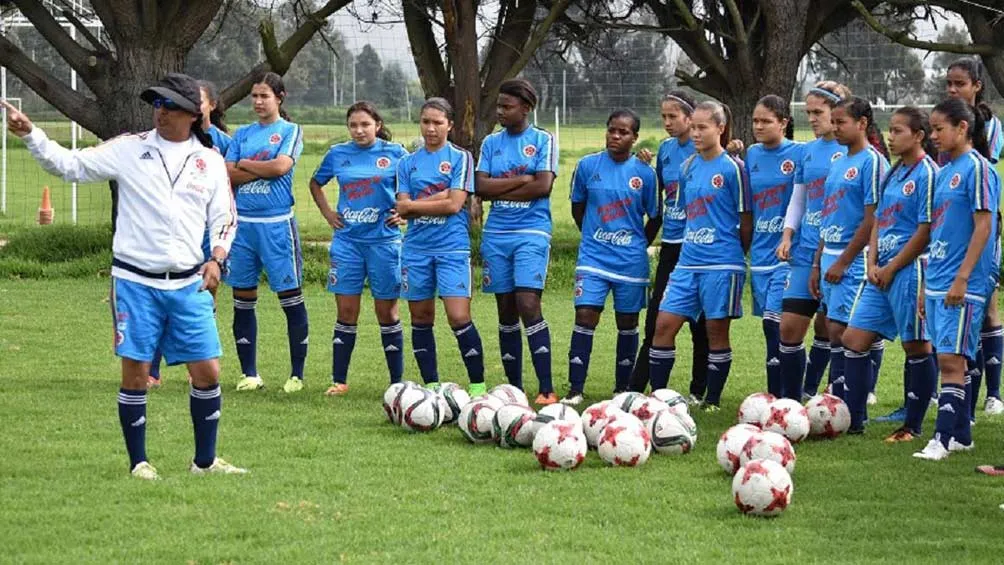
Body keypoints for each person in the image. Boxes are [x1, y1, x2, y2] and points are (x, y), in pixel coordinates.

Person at [4, 73, 244, 479]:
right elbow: (71, 166)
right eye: (157, 104)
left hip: (189, 283)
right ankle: (139, 463)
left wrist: (217, 258)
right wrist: (32, 135)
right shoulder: (129, 149)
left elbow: (225, 217)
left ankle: (205, 462)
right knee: (135, 375)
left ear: (191, 114)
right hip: (135, 282)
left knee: (208, 372)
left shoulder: (210, 161)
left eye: (168, 106)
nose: (160, 112)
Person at [840, 106, 938, 442]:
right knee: (853, 340)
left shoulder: (927, 173)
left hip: (909, 270)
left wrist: (893, 267)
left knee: (917, 346)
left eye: (898, 131)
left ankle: (912, 425)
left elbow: (925, 230)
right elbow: (879, 220)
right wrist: (872, 263)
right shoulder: (893, 172)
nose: (891, 136)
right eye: (891, 130)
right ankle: (854, 420)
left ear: (919, 135)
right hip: (879, 271)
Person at [648, 101, 752, 412]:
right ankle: (660, 400)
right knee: (663, 325)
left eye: (702, 127)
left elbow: (746, 218)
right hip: (687, 261)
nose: (695, 132)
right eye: (693, 126)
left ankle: (713, 400)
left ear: (720, 129)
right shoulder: (688, 167)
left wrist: (734, 255)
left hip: (722, 262)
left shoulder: (734, 168)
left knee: (715, 331)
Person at [914, 97, 1000, 460]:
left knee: (951, 360)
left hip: (963, 282)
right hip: (937, 277)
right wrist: (924, 284)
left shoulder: (978, 169)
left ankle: (941, 440)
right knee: (947, 356)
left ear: (962, 128)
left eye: (939, 129)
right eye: (931, 129)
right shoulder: (945, 169)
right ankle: (962, 435)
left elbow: (984, 226)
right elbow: (938, 230)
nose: (933, 136)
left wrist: (963, 278)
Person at [308, 101, 408, 396]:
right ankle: (339, 380)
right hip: (348, 243)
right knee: (347, 311)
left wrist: (405, 212)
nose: (359, 130)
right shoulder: (338, 154)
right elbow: (316, 183)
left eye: (365, 124)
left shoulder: (396, 154)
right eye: (353, 125)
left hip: (384, 242)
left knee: (387, 312)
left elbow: (413, 186)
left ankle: (396, 383)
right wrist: (328, 213)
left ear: (377, 125)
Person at [561, 109, 660, 406]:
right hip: (593, 257)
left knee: (627, 322)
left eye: (624, 132)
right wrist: (592, 235)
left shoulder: (645, 173)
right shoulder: (587, 165)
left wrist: (638, 243)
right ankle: (575, 389)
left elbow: (655, 217)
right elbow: (578, 207)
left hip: (630, 260)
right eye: (612, 130)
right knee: (585, 316)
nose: (616, 136)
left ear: (635, 137)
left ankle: (622, 389)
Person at [474, 79, 558, 405]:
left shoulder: (542, 140)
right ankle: (515, 390)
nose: (500, 112)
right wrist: (523, 178)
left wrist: (502, 185)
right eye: (499, 106)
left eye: (506, 107)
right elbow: (480, 187)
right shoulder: (491, 143)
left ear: (526, 108)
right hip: (497, 235)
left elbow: (543, 187)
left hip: (532, 232)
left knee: (528, 304)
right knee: (505, 310)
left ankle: (547, 388)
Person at [396, 98, 486, 396]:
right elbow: (401, 205)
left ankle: (477, 387)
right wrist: (424, 202)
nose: (431, 128)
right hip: (416, 249)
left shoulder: (461, 158)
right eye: (425, 122)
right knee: (421, 318)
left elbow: (455, 204)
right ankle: (431, 387)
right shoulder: (407, 162)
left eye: (437, 122)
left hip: (452, 249)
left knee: (458, 317)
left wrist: (414, 206)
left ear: (450, 125)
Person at [224, 72, 308, 394]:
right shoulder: (242, 134)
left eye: (265, 96)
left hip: (277, 227)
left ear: (280, 98)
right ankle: (249, 374)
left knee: (290, 299)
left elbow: (280, 168)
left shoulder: (290, 131)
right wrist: (255, 167)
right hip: (242, 228)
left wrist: (244, 164)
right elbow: (226, 175)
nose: (258, 102)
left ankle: (296, 375)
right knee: (243, 299)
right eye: (254, 97)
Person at [810, 96, 890, 432]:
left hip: (854, 259)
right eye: (835, 121)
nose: (835, 127)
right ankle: (842, 403)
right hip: (829, 255)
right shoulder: (839, 159)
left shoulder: (873, 162)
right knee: (831, 328)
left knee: (847, 333)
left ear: (863, 123)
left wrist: (844, 260)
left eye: (842, 122)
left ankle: (854, 411)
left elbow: (873, 219)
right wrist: (817, 262)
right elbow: (830, 212)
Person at [147, 79, 233, 389]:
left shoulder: (222, 143)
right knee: (158, 297)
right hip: (180, 234)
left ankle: (195, 362)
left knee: (202, 299)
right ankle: (151, 370)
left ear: (209, 106)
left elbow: (227, 186)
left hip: (212, 235)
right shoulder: (160, 142)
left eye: (200, 99)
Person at [630, 91, 710, 404]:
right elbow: (661, 201)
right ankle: (636, 389)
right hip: (672, 247)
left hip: (700, 249)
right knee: (656, 320)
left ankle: (699, 392)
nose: (666, 123)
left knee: (700, 324)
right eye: (663, 116)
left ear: (691, 118)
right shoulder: (664, 150)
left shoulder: (704, 149)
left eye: (673, 116)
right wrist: (642, 168)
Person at [776, 82, 850, 403]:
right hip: (806, 250)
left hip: (839, 251)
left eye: (818, 112)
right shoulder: (807, 151)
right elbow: (799, 199)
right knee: (789, 328)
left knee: (834, 329)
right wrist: (787, 235)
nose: (812, 119)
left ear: (837, 112)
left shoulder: (854, 152)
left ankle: (834, 397)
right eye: (808, 113)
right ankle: (792, 402)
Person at [941, 57, 1004, 418]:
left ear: (977, 86)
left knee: (986, 307)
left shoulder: (989, 126)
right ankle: (958, 388)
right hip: (950, 227)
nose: (953, 89)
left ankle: (993, 393)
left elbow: (981, 165)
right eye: (949, 83)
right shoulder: (943, 125)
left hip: (980, 221)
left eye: (960, 84)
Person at [745, 95, 802, 398]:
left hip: (788, 254)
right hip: (760, 253)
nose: (759, 126)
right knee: (770, 327)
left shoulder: (800, 154)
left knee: (774, 323)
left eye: (766, 121)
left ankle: (782, 395)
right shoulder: (752, 155)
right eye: (755, 120)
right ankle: (781, 393)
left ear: (783, 122)